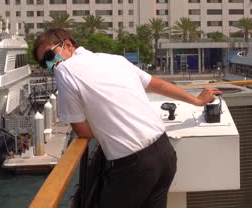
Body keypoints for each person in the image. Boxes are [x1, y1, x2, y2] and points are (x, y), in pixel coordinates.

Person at [33, 28, 221, 208]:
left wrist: (108, 131)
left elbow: (81, 130)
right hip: (165, 154)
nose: (50, 65)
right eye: (44, 64)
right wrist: (196, 100)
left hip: (133, 165)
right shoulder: (115, 60)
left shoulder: (64, 70)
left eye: (50, 56)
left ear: (67, 45)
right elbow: (158, 85)